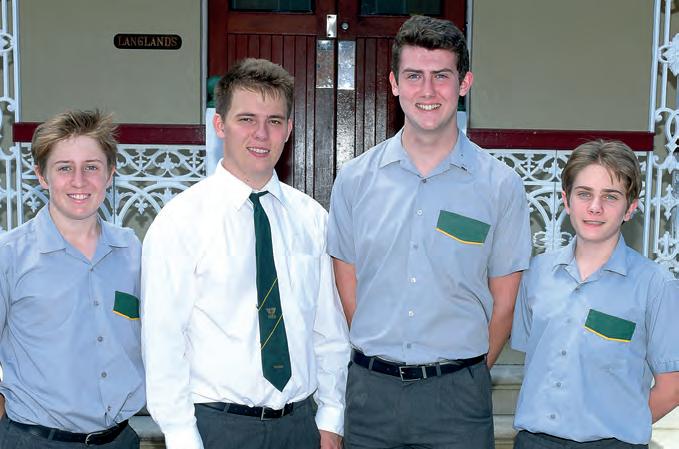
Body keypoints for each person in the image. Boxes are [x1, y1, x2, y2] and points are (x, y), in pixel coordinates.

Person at [327, 14, 532, 449]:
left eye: (441, 76)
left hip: (458, 401)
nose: (427, 91)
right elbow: (348, 288)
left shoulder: (500, 186)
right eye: (414, 76)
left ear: (464, 83)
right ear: (394, 83)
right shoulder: (355, 180)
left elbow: (504, 303)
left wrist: (462, 375)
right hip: (371, 398)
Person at [141, 58, 350, 449]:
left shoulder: (311, 219)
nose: (261, 134)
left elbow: (329, 331)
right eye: (246, 119)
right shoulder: (180, 222)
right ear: (220, 125)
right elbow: (163, 341)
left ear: (289, 129)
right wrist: (182, 436)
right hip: (216, 428)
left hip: (300, 427)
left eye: (274, 121)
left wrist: (331, 416)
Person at [511, 140, 679, 449]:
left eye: (610, 196)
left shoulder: (656, 285)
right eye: (584, 193)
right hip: (534, 442)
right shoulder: (536, 274)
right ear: (566, 200)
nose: (594, 207)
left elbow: (672, 388)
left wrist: (622, 427)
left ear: (631, 207)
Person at [0, 110, 144, 448]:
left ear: (110, 174)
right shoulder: (10, 255)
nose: (79, 181)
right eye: (64, 168)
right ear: (42, 176)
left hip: (120, 440)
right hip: (36, 441)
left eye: (91, 167)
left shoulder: (132, 251)